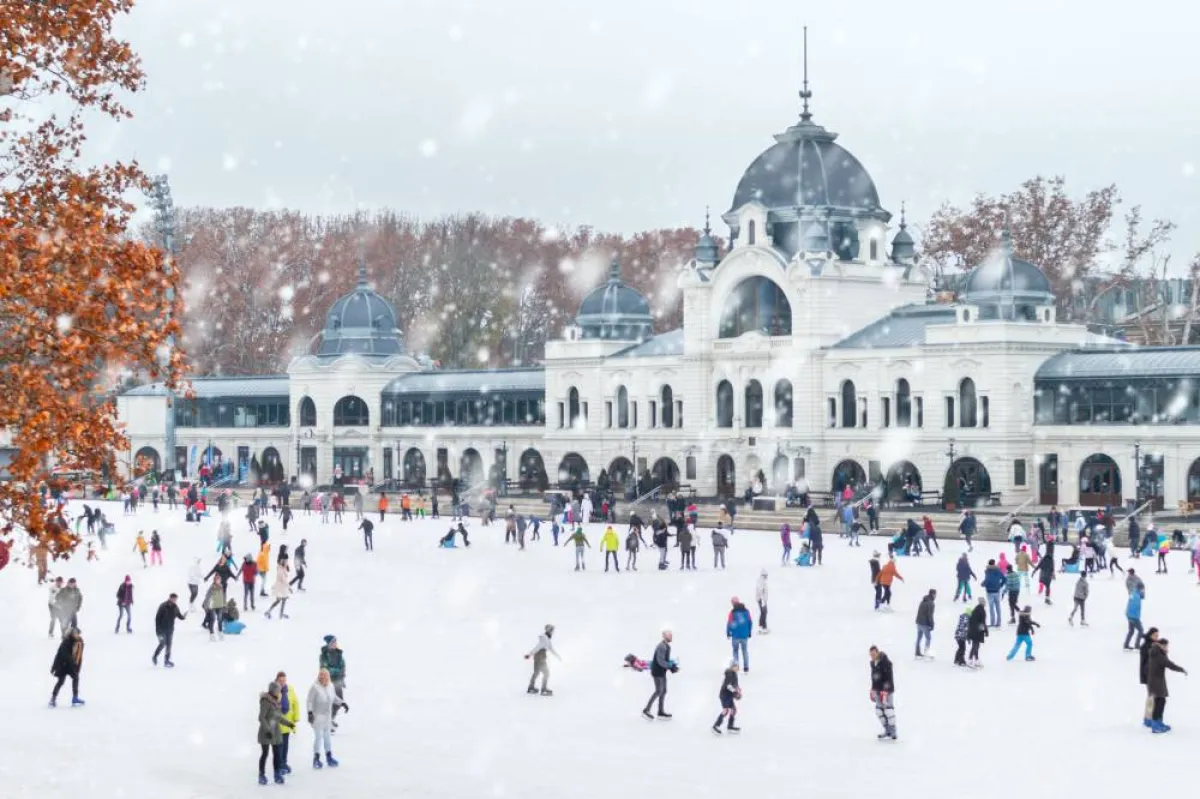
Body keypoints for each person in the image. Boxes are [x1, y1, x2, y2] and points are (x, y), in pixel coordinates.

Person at [1145, 638, 1187, 733]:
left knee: (1161, 701)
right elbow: (1169, 664)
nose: (1167, 648)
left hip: (1157, 681)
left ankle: (1158, 722)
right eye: (1166, 646)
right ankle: (1155, 725)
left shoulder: (1157, 652)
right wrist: (1181, 669)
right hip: (1156, 682)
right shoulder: (1158, 654)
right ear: (1161, 645)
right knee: (1159, 702)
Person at [258, 681, 295, 785]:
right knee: (265, 754)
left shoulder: (276, 701)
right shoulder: (266, 701)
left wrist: (289, 724)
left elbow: (278, 717)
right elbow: (261, 717)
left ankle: (277, 774)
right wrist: (267, 730)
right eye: (278, 690)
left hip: (276, 732)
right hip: (266, 732)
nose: (279, 692)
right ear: (273, 690)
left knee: (277, 754)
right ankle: (261, 775)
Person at [306, 668, 340, 769]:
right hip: (317, 717)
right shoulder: (315, 687)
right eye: (321, 675)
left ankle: (329, 757)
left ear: (328, 676)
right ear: (319, 676)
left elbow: (334, 697)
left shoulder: (330, 686)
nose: (323, 677)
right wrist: (310, 713)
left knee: (327, 738)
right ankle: (316, 759)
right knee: (319, 737)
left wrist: (342, 703)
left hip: (327, 717)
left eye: (325, 675)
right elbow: (309, 701)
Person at [642, 630, 676, 720]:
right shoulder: (661, 646)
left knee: (664, 691)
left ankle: (660, 712)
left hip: (662, 672)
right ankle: (646, 710)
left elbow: (665, 660)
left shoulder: (667, 646)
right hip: (657, 672)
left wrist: (672, 665)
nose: (671, 637)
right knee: (658, 691)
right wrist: (670, 666)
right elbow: (660, 661)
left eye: (671, 635)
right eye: (669, 635)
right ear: (664, 636)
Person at [49, 626, 85, 708]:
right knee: (61, 681)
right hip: (63, 665)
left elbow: (79, 656)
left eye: (78, 634)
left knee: (76, 677)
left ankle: (75, 698)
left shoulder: (79, 642)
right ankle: (53, 698)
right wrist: (54, 667)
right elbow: (62, 655)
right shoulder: (66, 642)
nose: (77, 635)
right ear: (71, 634)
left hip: (71, 665)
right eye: (75, 634)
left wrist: (77, 667)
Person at [319, 635, 350, 729]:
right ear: (329, 644)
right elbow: (325, 669)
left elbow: (343, 666)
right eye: (333, 642)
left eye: (335, 642)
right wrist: (337, 670)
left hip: (338, 681)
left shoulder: (339, 653)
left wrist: (342, 677)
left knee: (339, 701)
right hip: (328, 681)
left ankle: (330, 719)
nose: (335, 644)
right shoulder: (324, 655)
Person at [524, 623, 560, 695]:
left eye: (552, 630)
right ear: (548, 630)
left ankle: (531, 687)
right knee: (546, 673)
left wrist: (558, 656)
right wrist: (529, 654)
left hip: (539, 657)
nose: (552, 632)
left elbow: (551, 649)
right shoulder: (544, 639)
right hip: (540, 658)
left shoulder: (547, 639)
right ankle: (543, 689)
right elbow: (537, 648)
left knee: (536, 672)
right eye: (551, 630)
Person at [868, 646, 896, 740]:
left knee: (888, 710)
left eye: (873, 654)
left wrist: (885, 691)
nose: (872, 656)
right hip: (877, 690)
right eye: (871, 655)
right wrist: (872, 690)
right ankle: (887, 730)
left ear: (878, 652)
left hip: (886, 690)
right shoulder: (873, 663)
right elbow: (874, 678)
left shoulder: (885, 662)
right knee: (879, 711)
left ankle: (893, 731)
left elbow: (888, 678)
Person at [153, 592, 186, 667]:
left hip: (170, 629)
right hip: (161, 630)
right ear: (170, 598)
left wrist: (184, 616)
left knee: (169, 645)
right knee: (162, 643)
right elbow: (157, 618)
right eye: (174, 599)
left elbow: (179, 616)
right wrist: (158, 630)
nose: (175, 601)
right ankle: (155, 656)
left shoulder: (175, 607)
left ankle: (166, 660)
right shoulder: (163, 606)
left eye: (176, 599)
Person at [276, 671, 299, 775]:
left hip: (287, 723)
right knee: (279, 746)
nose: (282, 682)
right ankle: (279, 765)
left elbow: (295, 703)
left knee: (285, 746)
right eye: (280, 680)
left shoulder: (290, 689)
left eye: (284, 680)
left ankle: (284, 763)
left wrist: (296, 717)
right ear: (277, 680)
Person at [1138, 627, 1161, 727]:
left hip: (1153, 675)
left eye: (1157, 636)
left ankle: (1150, 717)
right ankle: (1148, 718)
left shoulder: (1154, 645)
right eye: (1155, 635)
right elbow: (1146, 663)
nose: (1157, 637)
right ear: (1150, 635)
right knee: (1152, 697)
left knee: (1153, 696)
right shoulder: (1146, 646)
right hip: (1149, 675)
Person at [712, 661, 742, 735]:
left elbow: (735, 684)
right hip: (724, 695)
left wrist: (738, 689)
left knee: (733, 710)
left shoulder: (734, 673)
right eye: (735, 666)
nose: (737, 668)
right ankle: (716, 726)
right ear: (732, 667)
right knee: (726, 710)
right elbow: (728, 686)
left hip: (729, 695)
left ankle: (730, 726)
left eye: (737, 666)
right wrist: (735, 692)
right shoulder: (729, 673)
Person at [726, 596, 753, 671]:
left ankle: (736, 666)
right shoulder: (746, 611)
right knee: (745, 651)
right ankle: (746, 667)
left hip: (735, 635)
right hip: (744, 635)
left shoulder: (732, 613)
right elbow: (750, 622)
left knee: (735, 651)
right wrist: (749, 632)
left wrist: (728, 632)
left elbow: (729, 623)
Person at [202, 575, 228, 640]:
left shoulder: (221, 587)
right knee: (213, 619)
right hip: (212, 606)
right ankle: (212, 634)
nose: (218, 581)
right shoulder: (212, 588)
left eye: (219, 580)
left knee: (220, 619)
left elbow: (223, 596)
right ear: (215, 580)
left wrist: (225, 605)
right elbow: (207, 597)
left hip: (220, 606)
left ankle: (220, 633)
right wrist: (206, 606)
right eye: (217, 580)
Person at [982, 559, 1006, 627]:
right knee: (998, 607)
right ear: (994, 563)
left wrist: (983, 584)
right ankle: (998, 622)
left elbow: (987, 580)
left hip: (989, 591)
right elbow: (1004, 579)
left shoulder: (987, 571)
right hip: (997, 591)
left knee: (991, 608)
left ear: (989, 564)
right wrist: (1000, 585)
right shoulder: (998, 570)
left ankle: (992, 623)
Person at [1123, 582, 1145, 650]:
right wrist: (1134, 618)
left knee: (1131, 631)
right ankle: (1137, 645)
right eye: (1142, 589)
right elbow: (1133, 607)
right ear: (1140, 588)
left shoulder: (1134, 594)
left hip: (1130, 615)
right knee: (1141, 630)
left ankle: (1126, 644)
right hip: (1134, 617)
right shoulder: (1136, 597)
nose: (1143, 590)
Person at [915, 589, 936, 658]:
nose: (936, 596)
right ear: (933, 594)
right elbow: (930, 615)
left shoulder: (923, 601)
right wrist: (932, 625)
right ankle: (926, 653)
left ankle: (917, 652)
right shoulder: (931, 603)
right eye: (935, 594)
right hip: (925, 624)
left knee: (919, 638)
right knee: (928, 638)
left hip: (919, 622)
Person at [755, 569, 769, 634]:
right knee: (764, 613)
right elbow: (760, 590)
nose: (767, 577)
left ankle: (763, 626)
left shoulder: (762, 581)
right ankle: (762, 627)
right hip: (761, 600)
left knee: (764, 613)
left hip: (762, 599)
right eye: (766, 575)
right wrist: (763, 600)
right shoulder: (761, 581)